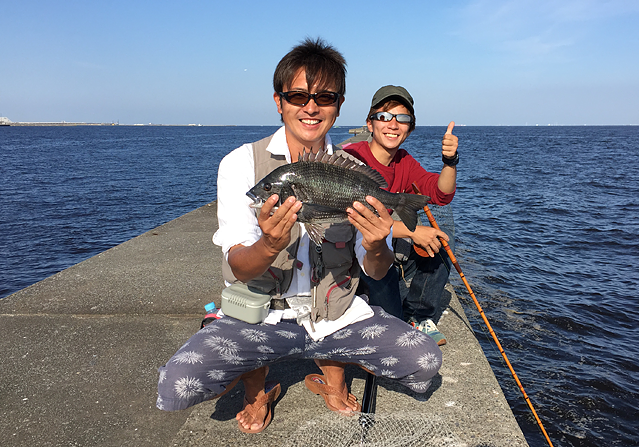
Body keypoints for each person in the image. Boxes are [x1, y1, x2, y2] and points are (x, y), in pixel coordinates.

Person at [156, 40, 442, 434]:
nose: (311, 107)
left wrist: (378, 245)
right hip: (262, 318)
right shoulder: (240, 163)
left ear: (339, 105)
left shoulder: (352, 168)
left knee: (424, 362)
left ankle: (330, 375)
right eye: (298, 96)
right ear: (279, 101)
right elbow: (237, 266)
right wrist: (268, 245)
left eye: (324, 97)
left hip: (335, 316)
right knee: (176, 386)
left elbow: (374, 271)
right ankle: (260, 386)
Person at [343, 85, 458, 346]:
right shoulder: (350, 157)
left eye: (402, 118)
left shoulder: (404, 161)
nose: (393, 124)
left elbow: (440, 194)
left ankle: (417, 315)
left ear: (410, 128)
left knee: (440, 240)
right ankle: (364, 300)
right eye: (384, 116)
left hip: (384, 248)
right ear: (370, 124)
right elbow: (354, 220)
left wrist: (449, 162)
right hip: (350, 254)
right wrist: (412, 231)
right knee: (389, 330)